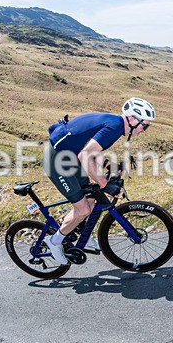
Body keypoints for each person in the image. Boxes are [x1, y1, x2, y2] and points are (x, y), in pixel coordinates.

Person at [44, 97, 155, 264]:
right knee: (83, 210)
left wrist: (108, 164)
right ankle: (54, 241)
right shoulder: (114, 127)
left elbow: (88, 147)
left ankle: (81, 234)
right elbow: (85, 155)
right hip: (57, 161)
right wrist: (105, 184)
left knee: (90, 199)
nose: (145, 130)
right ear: (133, 119)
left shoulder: (115, 124)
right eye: (145, 125)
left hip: (70, 156)